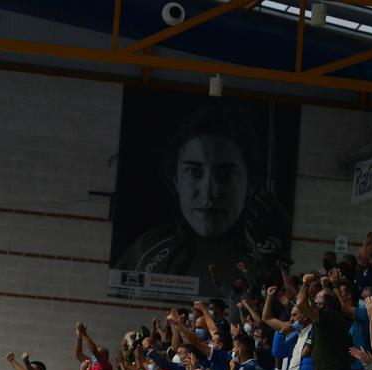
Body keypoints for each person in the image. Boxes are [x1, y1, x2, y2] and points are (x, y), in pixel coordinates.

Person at [114, 104, 292, 298]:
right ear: (176, 180)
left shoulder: (268, 254)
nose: (209, 193)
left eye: (225, 174)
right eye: (194, 172)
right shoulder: (145, 252)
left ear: (249, 182)